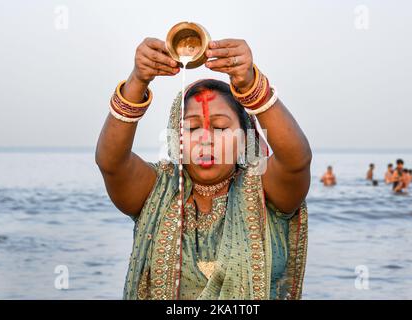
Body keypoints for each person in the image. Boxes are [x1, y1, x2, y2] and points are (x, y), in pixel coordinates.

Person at [96, 37, 311, 300]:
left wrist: (252, 85)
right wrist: (137, 81)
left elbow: (296, 161)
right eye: (192, 128)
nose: (206, 138)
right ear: (176, 138)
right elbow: (112, 163)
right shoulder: (156, 190)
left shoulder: (264, 190)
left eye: (220, 127)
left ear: (245, 138)